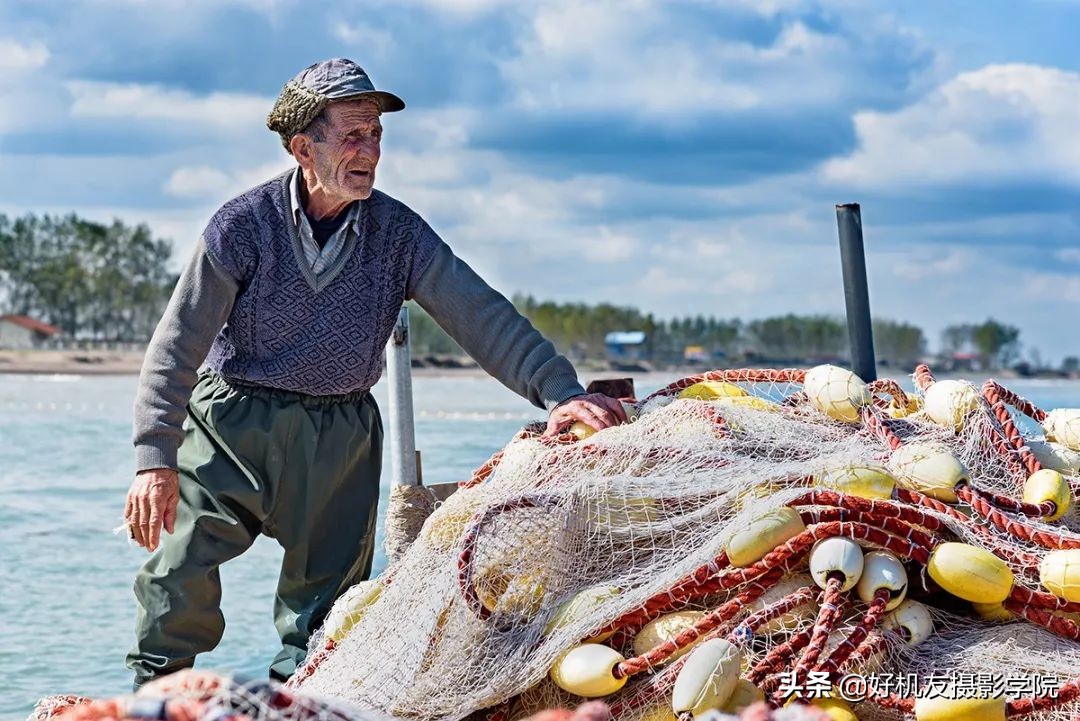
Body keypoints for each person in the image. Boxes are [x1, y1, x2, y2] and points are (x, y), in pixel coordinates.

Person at [124, 58, 626, 687]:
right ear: (303, 146)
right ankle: (153, 699)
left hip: (341, 435)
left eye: (377, 136)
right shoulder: (241, 226)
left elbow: (480, 314)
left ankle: (296, 703)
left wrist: (558, 391)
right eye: (352, 136)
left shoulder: (399, 234)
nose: (370, 151)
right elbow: (175, 347)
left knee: (327, 613)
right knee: (178, 572)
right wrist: (154, 459)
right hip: (232, 423)